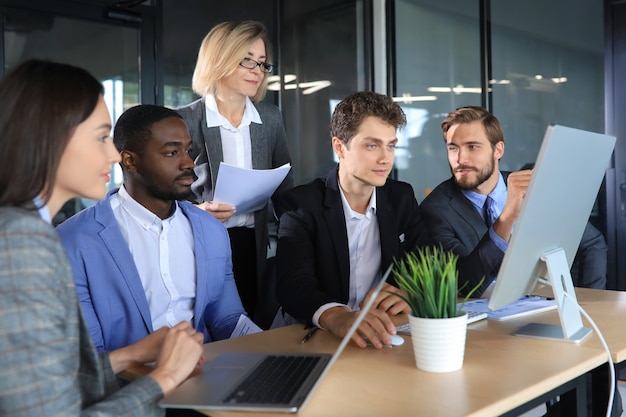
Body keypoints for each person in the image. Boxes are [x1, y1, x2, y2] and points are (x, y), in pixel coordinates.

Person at [0, 59, 203, 416]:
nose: (113, 155)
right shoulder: (22, 243)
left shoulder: (21, 230)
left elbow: (45, 381)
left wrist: (133, 354)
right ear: (49, 137)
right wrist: (166, 378)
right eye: (100, 137)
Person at [57, 104, 247, 353]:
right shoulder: (73, 240)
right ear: (130, 161)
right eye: (172, 153)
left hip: (208, 373)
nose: (189, 163)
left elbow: (228, 319)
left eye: (188, 150)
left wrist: (269, 354)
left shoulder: (211, 229)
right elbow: (92, 354)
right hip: (128, 384)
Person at [274, 91, 430, 349]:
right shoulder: (301, 205)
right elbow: (293, 285)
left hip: (382, 334)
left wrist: (411, 293)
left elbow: (427, 260)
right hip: (313, 337)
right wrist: (337, 316)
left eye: (390, 145)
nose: (385, 158)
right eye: (372, 145)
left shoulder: (401, 197)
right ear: (339, 147)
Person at [420, 105, 608, 297]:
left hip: (545, 305)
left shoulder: (533, 187)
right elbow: (465, 283)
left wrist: (587, 300)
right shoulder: (434, 210)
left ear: (498, 150)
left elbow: (591, 243)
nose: (461, 158)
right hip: (484, 318)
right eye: (453, 148)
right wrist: (507, 216)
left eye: (472, 147)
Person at [176, 20, 293, 323]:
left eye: (262, 63)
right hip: (203, 241)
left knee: (250, 321)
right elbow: (164, 194)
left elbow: (285, 188)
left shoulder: (269, 117)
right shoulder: (184, 121)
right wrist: (199, 211)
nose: (257, 70)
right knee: (205, 323)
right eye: (247, 60)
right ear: (220, 59)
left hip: (252, 243)